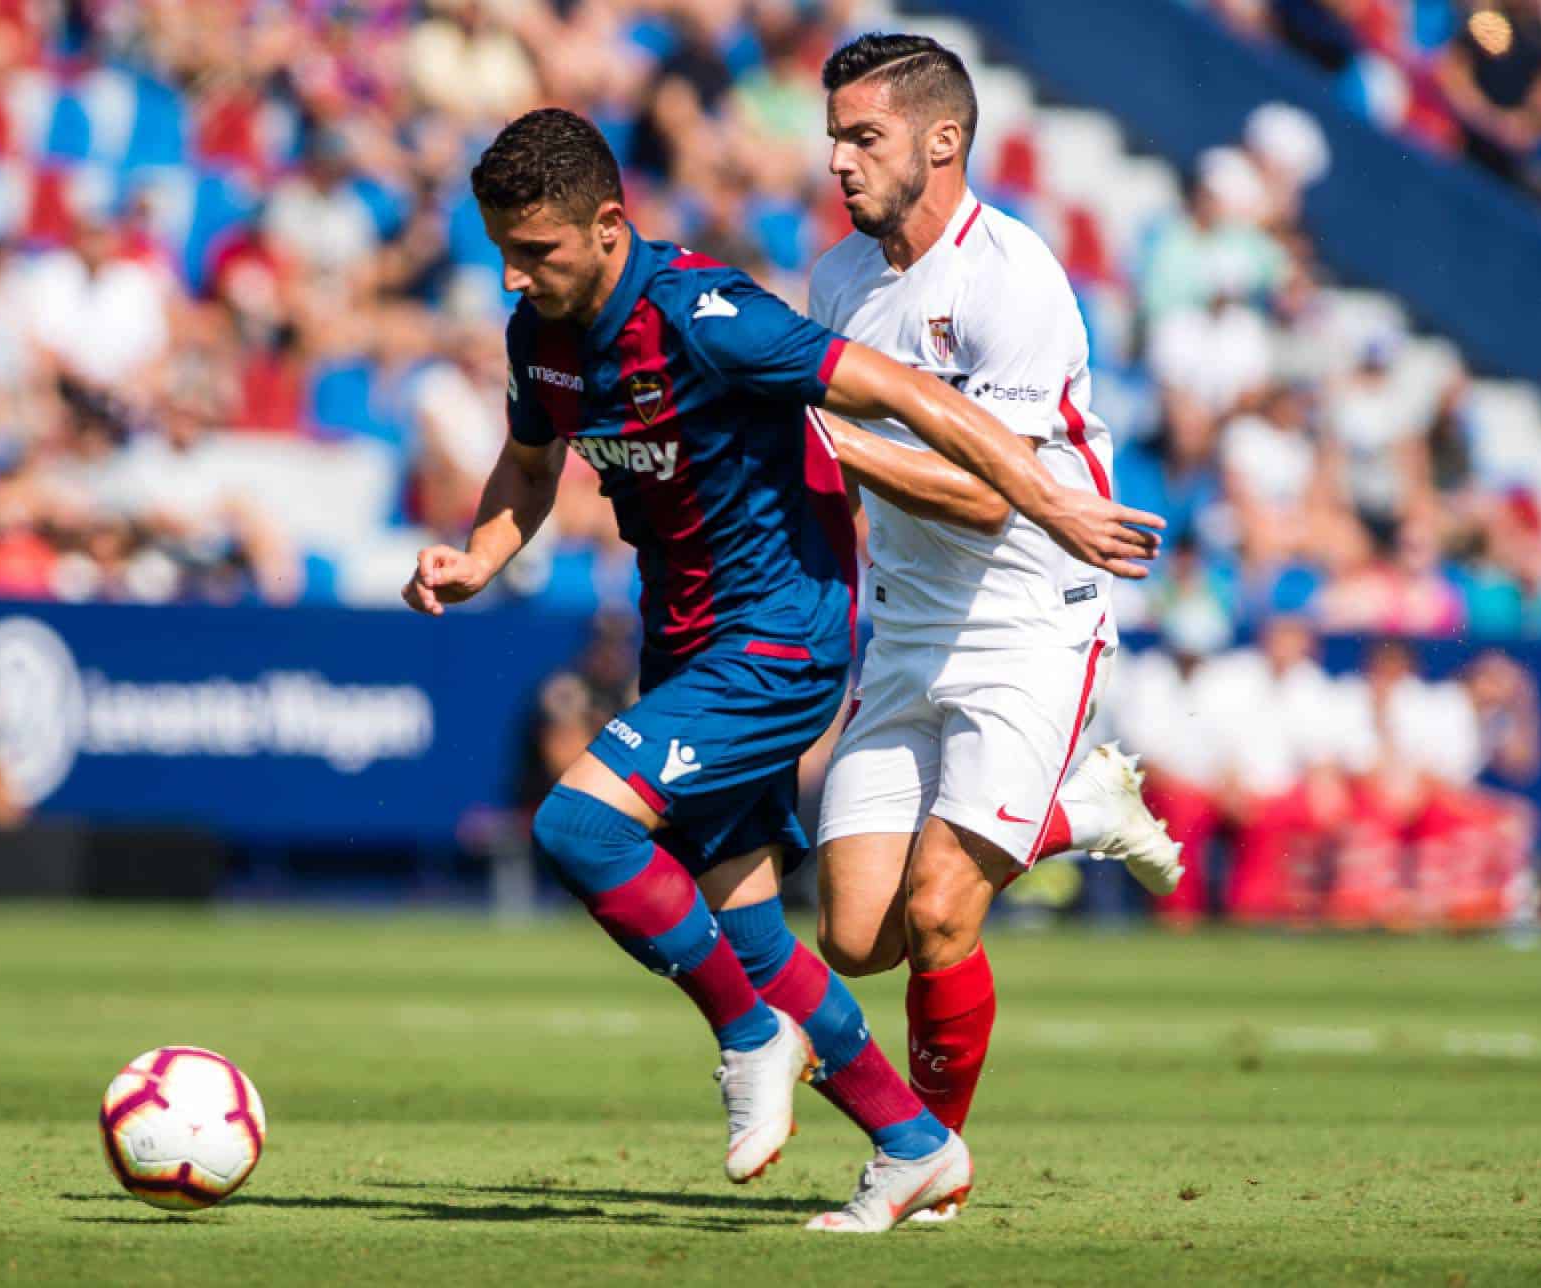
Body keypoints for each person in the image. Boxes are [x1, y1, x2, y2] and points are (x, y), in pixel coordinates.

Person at [402, 108, 1162, 1233]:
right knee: (770, 928)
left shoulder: (708, 318)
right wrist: (478, 554)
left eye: (538, 253)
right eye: (503, 254)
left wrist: (1052, 500)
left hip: (781, 635)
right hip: (683, 637)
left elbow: (905, 395)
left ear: (610, 226)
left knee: (578, 828)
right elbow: (527, 464)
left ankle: (751, 1034)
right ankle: (913, 1145)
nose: (514, 278)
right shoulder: (542, 339)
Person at [803, 34, 1185, 1167]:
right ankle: (1078, 811)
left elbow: (982, 501)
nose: (837, 162)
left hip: (1031, 614)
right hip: (908, 626)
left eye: (861, 137)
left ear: (942, 140)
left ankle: (927, 1163)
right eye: (832, 137)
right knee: (855, 934)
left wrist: (819, 438)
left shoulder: (1009, 277)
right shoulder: (835, 282)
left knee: (937, 913)